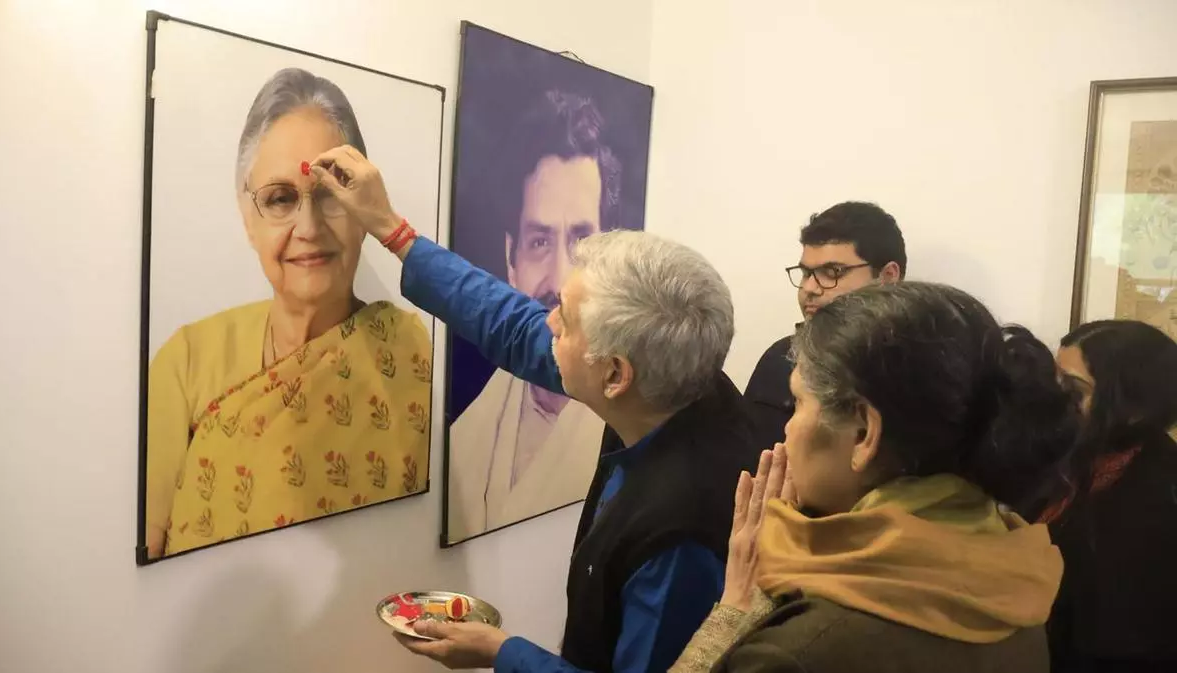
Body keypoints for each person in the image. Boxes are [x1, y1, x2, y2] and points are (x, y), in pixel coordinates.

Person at [307, 145, 760, 672]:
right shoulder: (676, 382)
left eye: (564, 320)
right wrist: (394, 232)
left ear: (614, 374)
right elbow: (514, 326)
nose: (546, 325)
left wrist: (502, 653)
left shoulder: (680, 536)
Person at [671, 281, 1081, 673]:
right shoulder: (1020, 586)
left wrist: (738, 606)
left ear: (864, 434)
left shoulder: (796, 651)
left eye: (796, 402)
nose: (787, 428)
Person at [144, 68, 431, 560]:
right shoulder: (187, 362)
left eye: (330, 195)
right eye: (279, 199)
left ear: (364, 212)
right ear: (247, 218)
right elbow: (147, 550)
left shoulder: (409, 352)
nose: (309, 226)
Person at [447, 90, 632, 543]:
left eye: (581, 241)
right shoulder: (467, 439)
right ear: (510, 258)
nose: (560, 279)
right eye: (539, 241)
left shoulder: (634, 427)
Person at [1043, 320, 1177, 672]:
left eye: (1073, 392)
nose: (1053, 403)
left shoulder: (1157, 500)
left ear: (1136, 409)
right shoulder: (1074, 459)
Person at [744, 202, 906, 448]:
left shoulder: (918, 373)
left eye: (832, 272)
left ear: (887, 278)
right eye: (806, 273)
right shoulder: (778, 361)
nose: (809, 288)